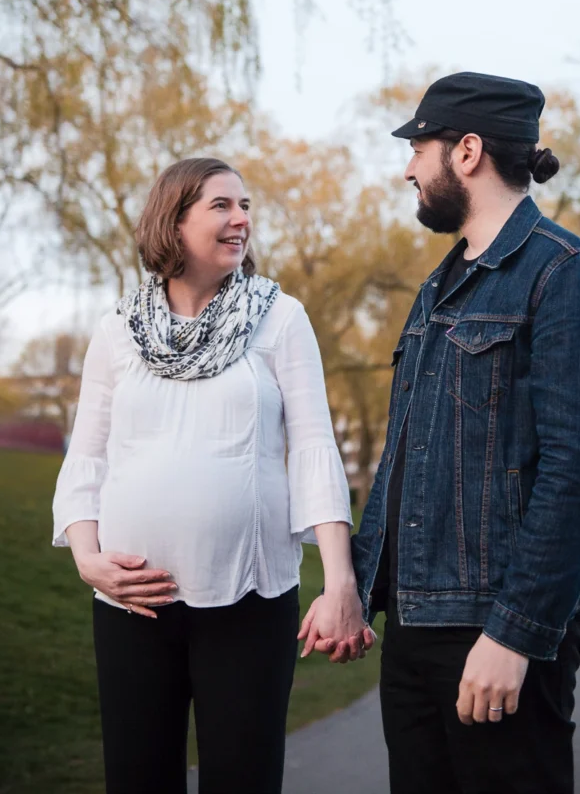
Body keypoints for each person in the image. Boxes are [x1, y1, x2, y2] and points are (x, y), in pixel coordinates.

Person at [345, 72, 580, 794]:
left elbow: (578, 476)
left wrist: (514, 633)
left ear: (467, 151)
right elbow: (403, 457)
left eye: (418, 149)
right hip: (416, 627)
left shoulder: (569, 276)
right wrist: (354, 585)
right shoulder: (437, 289)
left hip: (497, 632)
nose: (408, 169)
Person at [52, 157, 371, 794]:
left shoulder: (280, 318)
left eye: (245, 205)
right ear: (173, 221)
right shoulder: (117, 331)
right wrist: (88, 560)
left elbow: (314, 449)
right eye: (222, 205)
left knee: (243, 779)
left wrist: (340, 581)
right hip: (132, 602)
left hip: (250, 602)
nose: (241, 219)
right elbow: (87, 457)